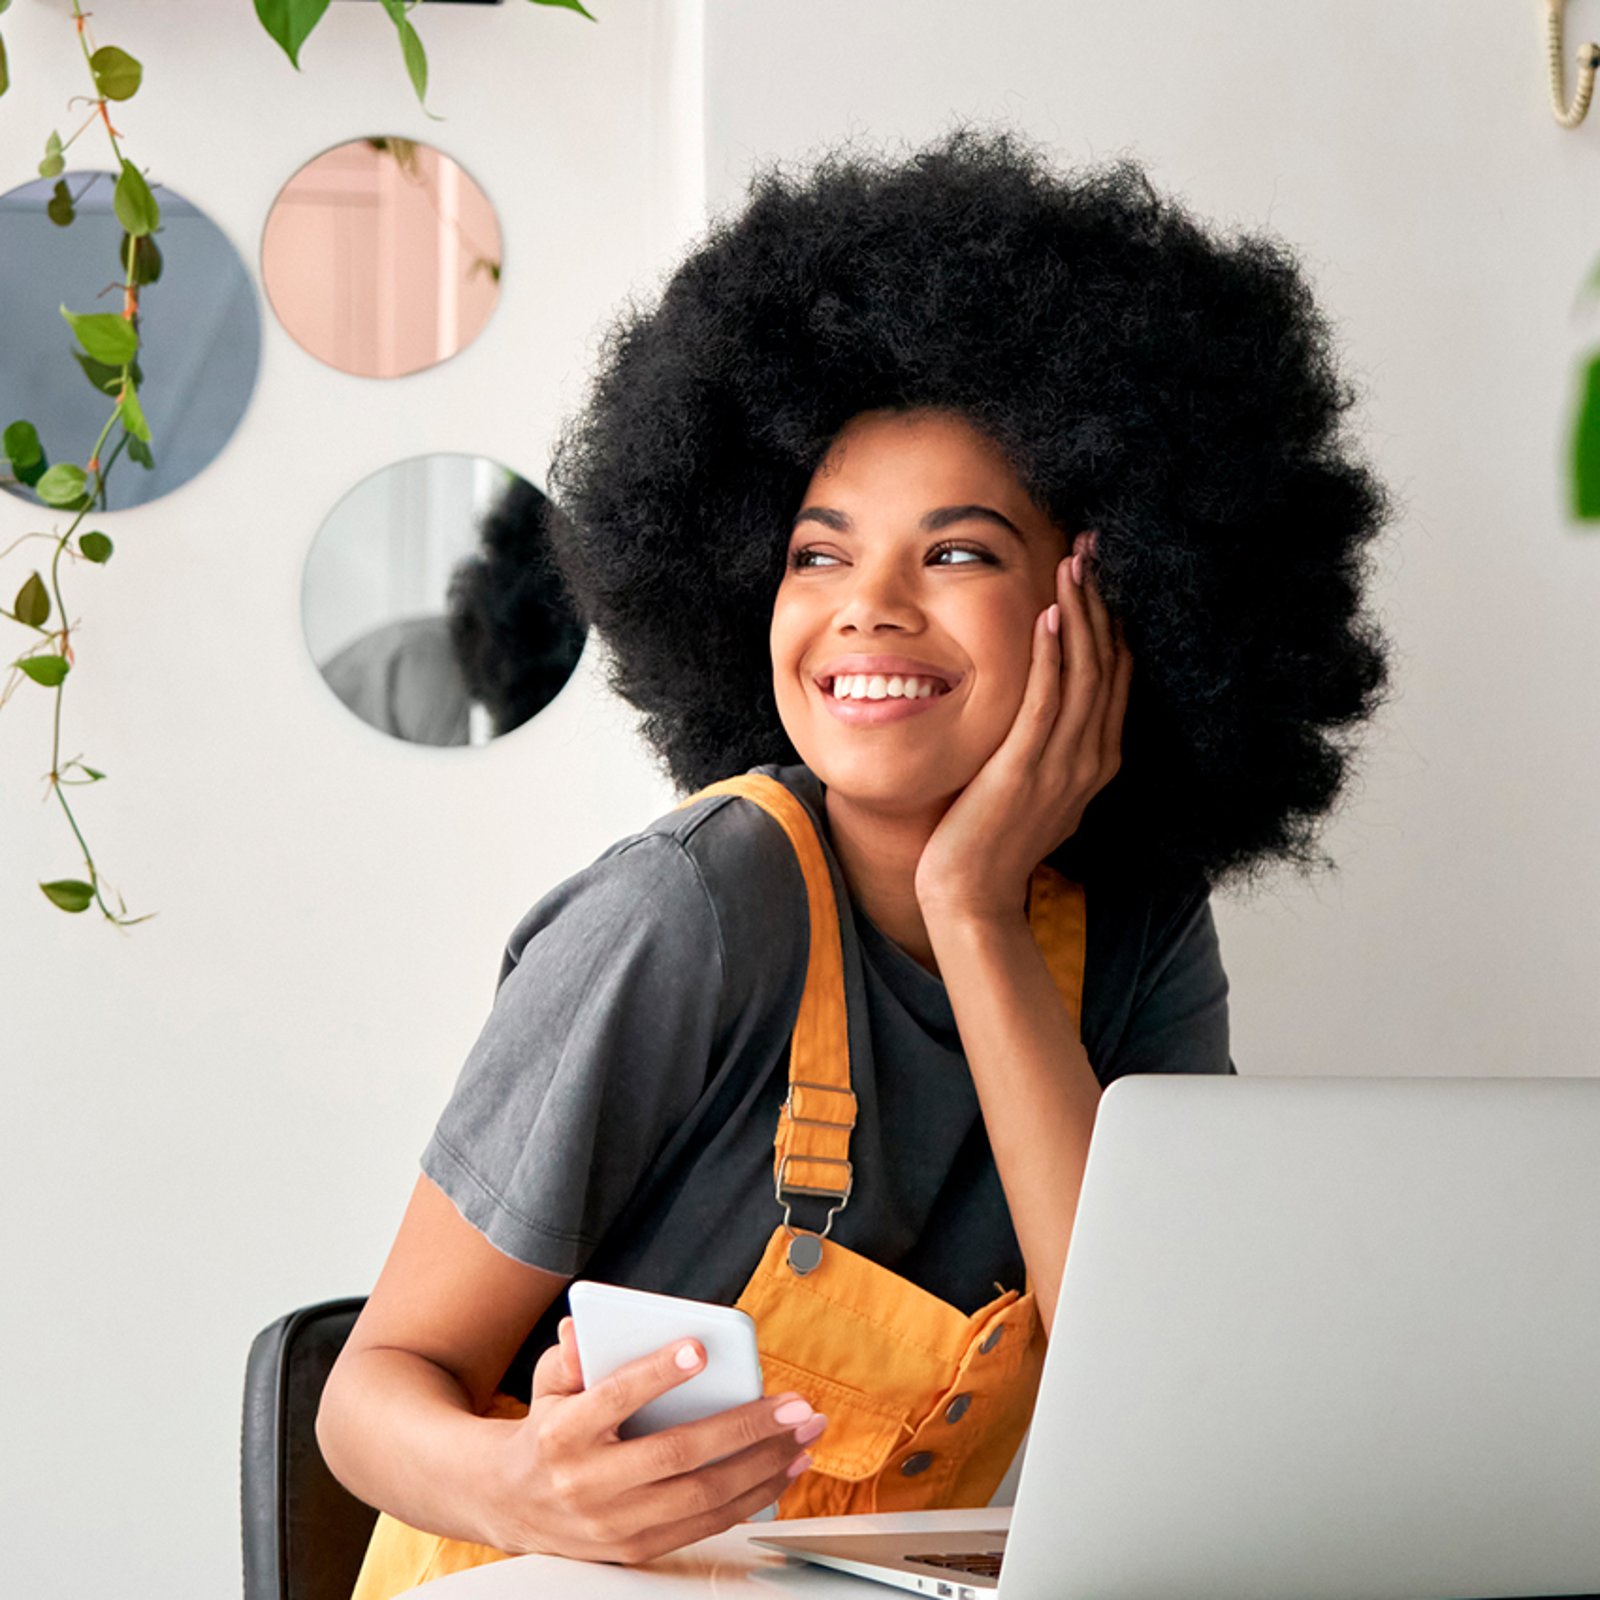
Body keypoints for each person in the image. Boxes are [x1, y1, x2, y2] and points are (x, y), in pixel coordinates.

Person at [315, 127, 1391, 1595]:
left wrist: (975, 909)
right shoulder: (686, 911)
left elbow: (1156, 1367)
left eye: (956, 554)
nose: (866, 609)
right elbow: (367, 1395)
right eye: (819, 554)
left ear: (1114, 601)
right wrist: (531, 1481)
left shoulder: (1134, 930)